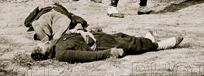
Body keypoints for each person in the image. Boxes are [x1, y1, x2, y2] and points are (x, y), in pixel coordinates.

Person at [31, 26, 183, 62]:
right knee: (130, 44)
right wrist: (110, 52)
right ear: (46, 53)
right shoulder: (62, 54)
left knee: (123, 36)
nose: (44, 42)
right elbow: (87, 56)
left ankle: (148, 40)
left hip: (96, 35)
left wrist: (85, 29)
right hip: (100, 44)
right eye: (42, 46)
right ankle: (160, 45)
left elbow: (74, 35)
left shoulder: (56, 42)